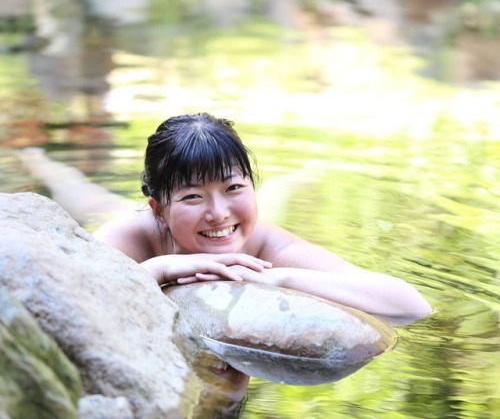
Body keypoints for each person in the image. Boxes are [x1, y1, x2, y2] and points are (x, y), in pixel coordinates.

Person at [92, 113, 432, 318]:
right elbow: (80, 299)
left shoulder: (265, 246)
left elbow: (410, 305)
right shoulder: (129, 237)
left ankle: (297, 178)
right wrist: (158, 269)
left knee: (274, 199)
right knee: (91, 199)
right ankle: (43, 162)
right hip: (127, 220)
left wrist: (278, 279)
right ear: (160, 210)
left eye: (234, 188)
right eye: (193, 196)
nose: (218, 213)